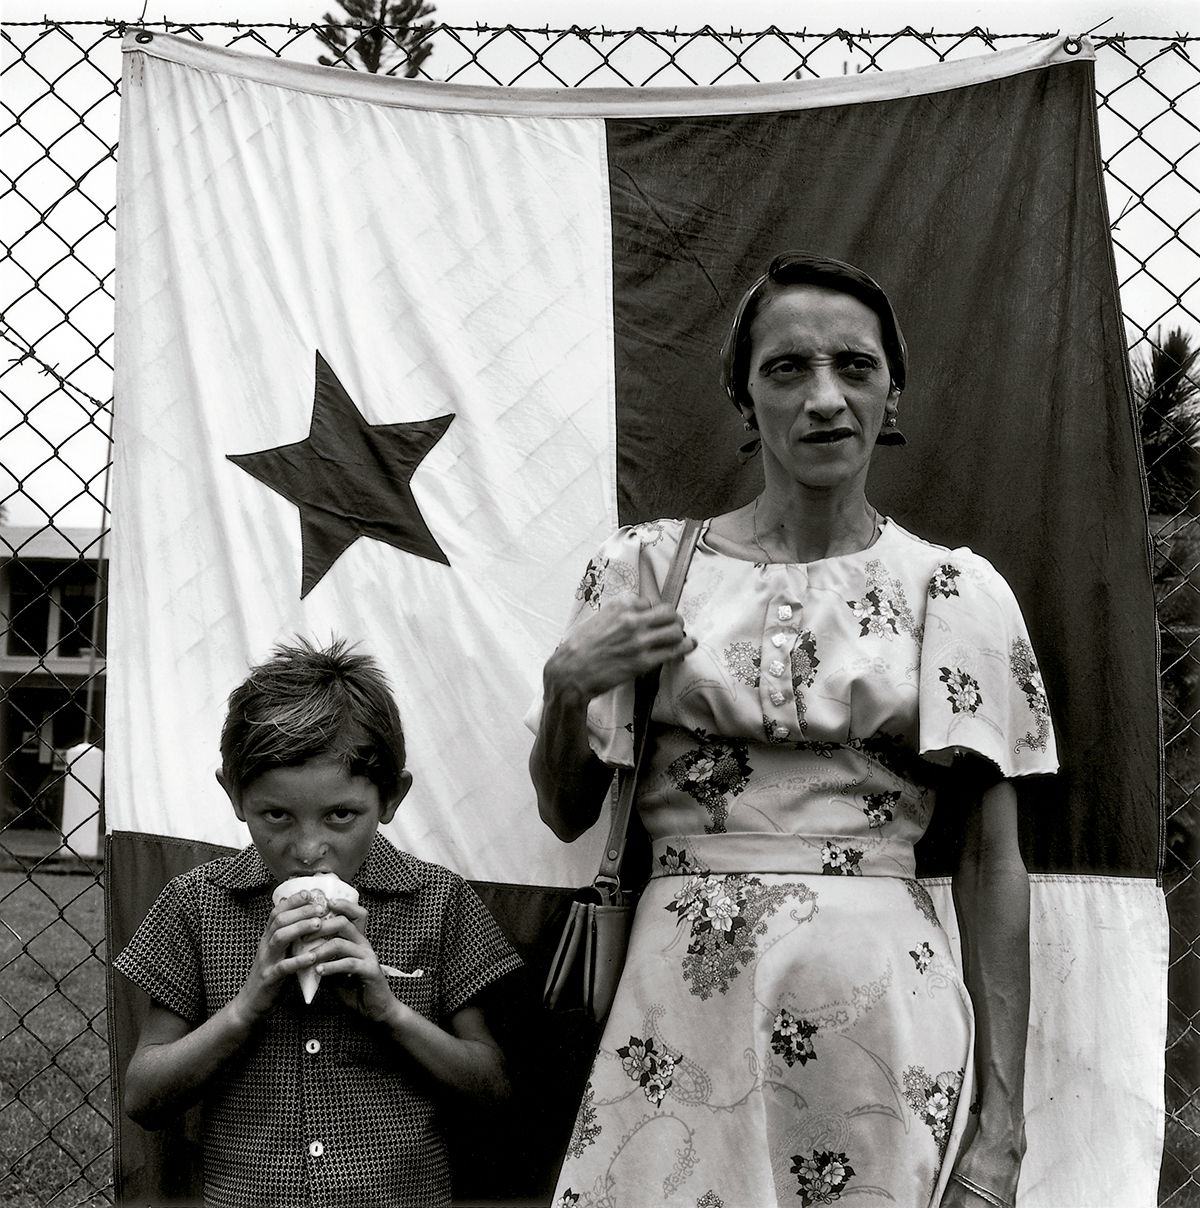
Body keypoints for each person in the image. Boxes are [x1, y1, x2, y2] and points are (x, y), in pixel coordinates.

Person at [530, 251, 1057, 1208]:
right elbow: (567, 813)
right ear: (745, 399)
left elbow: (992, 864)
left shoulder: (950, 594)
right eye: (787, 370)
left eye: (854, 368)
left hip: (883, 1016)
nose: (825, 398)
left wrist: (1004, 1131)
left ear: (892, 393)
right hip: (683, 1007)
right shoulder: (650, 574)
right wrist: (566, 688)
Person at [116, 637, 523, 1208]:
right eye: (276, 814)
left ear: (391, 799)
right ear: (233, 796)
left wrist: (389, 1011)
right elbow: (143, 1094)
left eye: (341, 815)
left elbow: (495, 1090)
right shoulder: (198, 904)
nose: (309, 849)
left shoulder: (438, 901)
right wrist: (247, 1004)